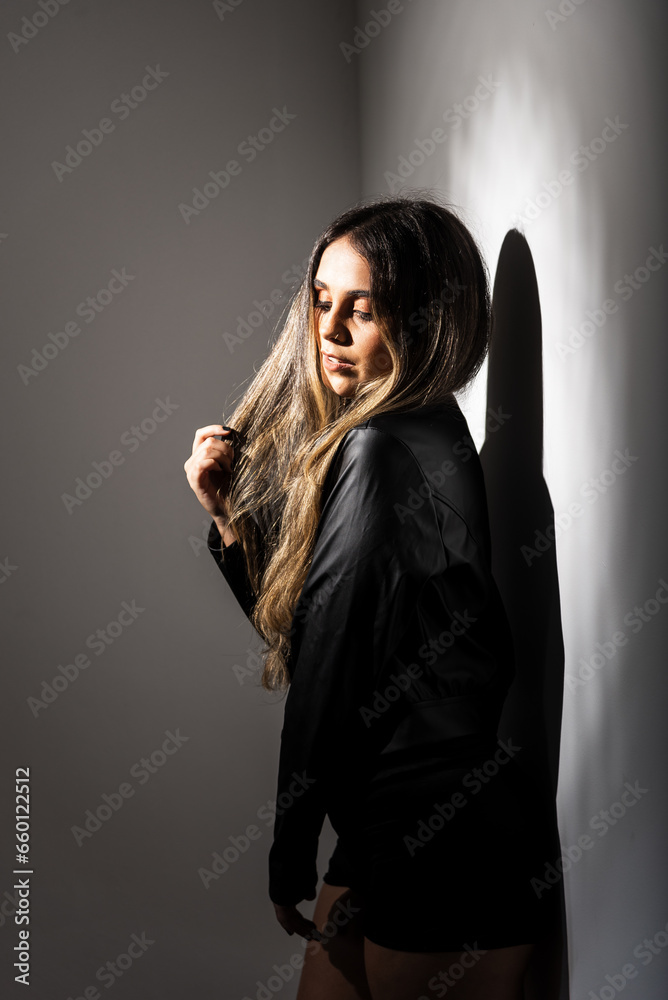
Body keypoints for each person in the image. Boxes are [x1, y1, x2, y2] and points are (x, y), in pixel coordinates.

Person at [184, 194, 560, 999]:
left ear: (424, 320)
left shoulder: (381, 448)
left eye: (365, 308)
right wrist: (229, 526)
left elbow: (322, 673)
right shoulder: (432, 435)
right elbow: (328, 638)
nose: (331, 329)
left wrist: (287, 856)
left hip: (444, 843)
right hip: (397, 831)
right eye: (322, 302)